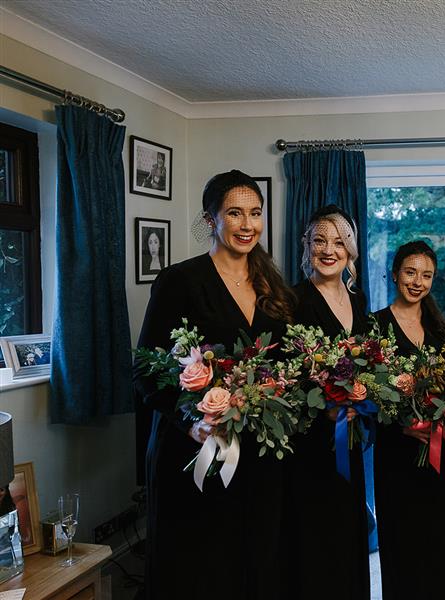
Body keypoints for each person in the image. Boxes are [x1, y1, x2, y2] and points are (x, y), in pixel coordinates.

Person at [133, 170, 296, 599]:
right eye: (235, 213)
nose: (247, 225)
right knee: (202, 566)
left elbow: (286, 366)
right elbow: (147, 370)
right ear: (211, 220)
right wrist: (193, 423)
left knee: (257, 558)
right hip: (196, 448)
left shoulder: (273, 286)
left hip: (260, 455)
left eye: (255, 214)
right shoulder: (179, 281)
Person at [282, 205, 371, 600]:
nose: (329, 250)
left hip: (349, 436)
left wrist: (360, 398)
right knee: (314, 534)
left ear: (350, 249)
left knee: (348, 527)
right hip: (308, 442)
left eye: (339, 241)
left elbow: (369, 364)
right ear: (307, 247)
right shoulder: (291, 301)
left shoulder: (360, 301)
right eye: (320, 240)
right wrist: (326, 403)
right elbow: (284, 374)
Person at [372, 240, 445, 599]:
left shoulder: (443, 330)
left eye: (426, 275)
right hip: (397, 455)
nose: (418, 282)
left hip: (441, 454)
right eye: (410, 272)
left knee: (441, 543)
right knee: (402, 542)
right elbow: (371, 395)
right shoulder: (376, 325)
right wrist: (402, 424)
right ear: (395, 273)